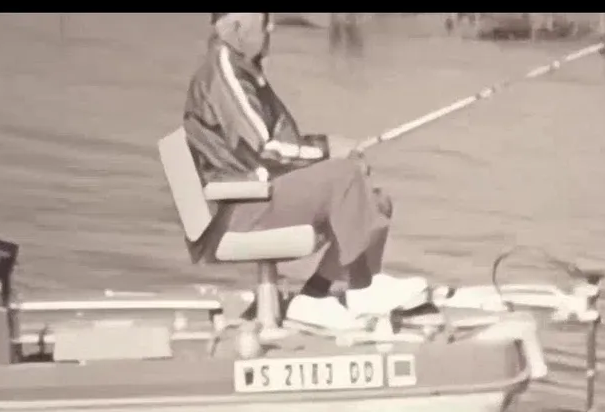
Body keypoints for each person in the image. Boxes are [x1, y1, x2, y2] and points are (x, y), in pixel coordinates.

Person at [183, 12, 429, 330]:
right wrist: (329, 153)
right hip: (237, 210)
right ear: (238, 25)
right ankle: (362, 289)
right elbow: (265, 148)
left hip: (257, 196)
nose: (272, 28)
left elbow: (286, 145)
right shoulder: (224, 71)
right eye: (264, 21)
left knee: (375, 202)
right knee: (345, 177)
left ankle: (317, 296)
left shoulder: (245, 71)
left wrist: (330, 148)